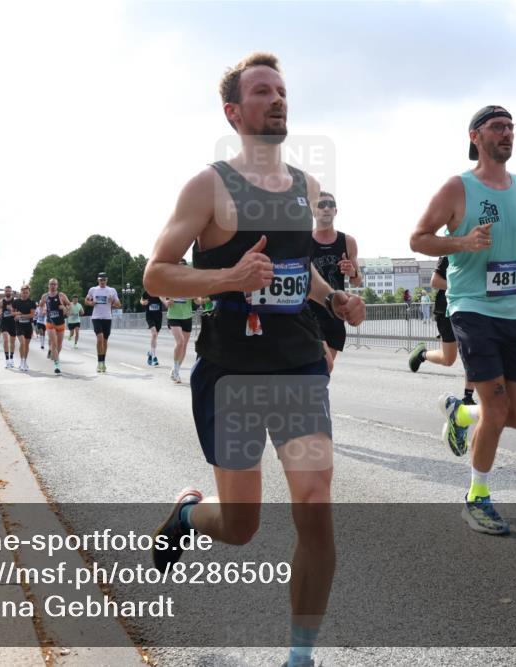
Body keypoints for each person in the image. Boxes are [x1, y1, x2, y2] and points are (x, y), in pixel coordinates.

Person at [142, 52, 366, 667]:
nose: (277, 100)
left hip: (297, 366)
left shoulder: (307, 189)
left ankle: (300, 655)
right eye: (263, 92)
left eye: (283, 91)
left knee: (315, 506)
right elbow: (156, 274)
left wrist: (336, 297)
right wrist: (227, 277)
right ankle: (189, 514)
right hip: (231, 372)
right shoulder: (208, 186)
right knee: (241, 526)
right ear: (234, 112)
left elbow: (297, 274)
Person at [410, 105, 516, 536]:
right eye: (497, 127)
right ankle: (477, 496)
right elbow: (418, 238)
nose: (506, 133)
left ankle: (462, 413)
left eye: (511, 127)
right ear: (475, 136)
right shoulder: (458, 188)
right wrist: (463, 242)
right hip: (472, 307)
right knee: (498, 406)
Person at [408, 256, 477, 405]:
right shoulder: (450, 250)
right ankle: (422, 354)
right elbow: (435, 281)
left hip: (471, 309)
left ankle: (468, 396)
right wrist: (463, 287)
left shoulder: (480, 250)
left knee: (473, 351)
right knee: (448, 359)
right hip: (446, 310)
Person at [308, 191, 362, 373]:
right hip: (309, 313)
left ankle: (310, 398)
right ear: (313, 212)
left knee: (323, 371)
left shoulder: (347, 241)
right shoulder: (304, 241)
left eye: (330, 205)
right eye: (321, 205)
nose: (327, 209)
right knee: (323, 366)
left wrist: (352, 271)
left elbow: (357, 281)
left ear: (336, 211)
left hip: (336, 314)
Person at [162, 260, 197, 383]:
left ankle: (175, 369)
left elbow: (196, 297)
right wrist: (165, 302)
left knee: (185, 345)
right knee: (180, 341)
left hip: (187, 316)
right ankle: (176, 370)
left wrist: (196, 298)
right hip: (174, 316)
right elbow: (160, 293)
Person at [85, 273, 120, 373]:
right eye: (100, 280)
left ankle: (103, 362)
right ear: (98, 280)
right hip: (96, 317)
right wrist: (91, 303)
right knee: (99, 338)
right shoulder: (93, 290)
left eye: (104, 280)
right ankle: (99, 362)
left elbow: (118, 304)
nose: (102, 282)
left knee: (104, 341)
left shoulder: (111, 290)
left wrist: (112, 300)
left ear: (107, 280)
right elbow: (86, 301)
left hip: (107, 318)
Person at [39, 278, 73, 375]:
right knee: (54, 343)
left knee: (59, 344)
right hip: (50, 323)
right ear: (48, 285)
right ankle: (57, 365)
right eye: (51, 284)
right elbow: (41, 305)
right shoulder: (45, 296)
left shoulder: (61, 295)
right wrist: (43, 311)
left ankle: (54, 354)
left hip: (61, 323)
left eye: (54, 284)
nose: (53, 286)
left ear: (57, 285)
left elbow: (69, 305)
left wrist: (65, 308)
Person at [12, 285, 37, 372]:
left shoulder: (32, 302)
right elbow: (12, 313)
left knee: (26, 345)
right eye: (23, 292)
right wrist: (15, 314)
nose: (25, 294)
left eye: (26, 292)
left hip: (28, 326)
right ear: (20, 292)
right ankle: (22, 362)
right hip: (19, 325)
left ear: (29, 293)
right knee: (22, 343)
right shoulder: (16, 302)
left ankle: (25, 361)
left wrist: (20, 315)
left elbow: (32, 315)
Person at [141, 289, 164, 365]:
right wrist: (143, 302)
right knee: (154, 334)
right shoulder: (146, 292)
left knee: (155, 336)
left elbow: (166, 300)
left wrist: (162, 298)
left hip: (158, 317)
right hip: (150, 316)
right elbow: (141, 300)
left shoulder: (160, 292)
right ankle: (154, 357)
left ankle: (151, 352)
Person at [0, 286, 18, 368]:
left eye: (9, 291)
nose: (8, 292)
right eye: (6, 291)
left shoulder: (15, 301)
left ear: (11, 292)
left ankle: (11, 359)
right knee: (6, 340)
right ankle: (7, 360)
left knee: (12, 342)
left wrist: (12, 310)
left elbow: (19, 310)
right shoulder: (2, 301)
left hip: (13, 323)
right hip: (4, 322)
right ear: (4, 292)